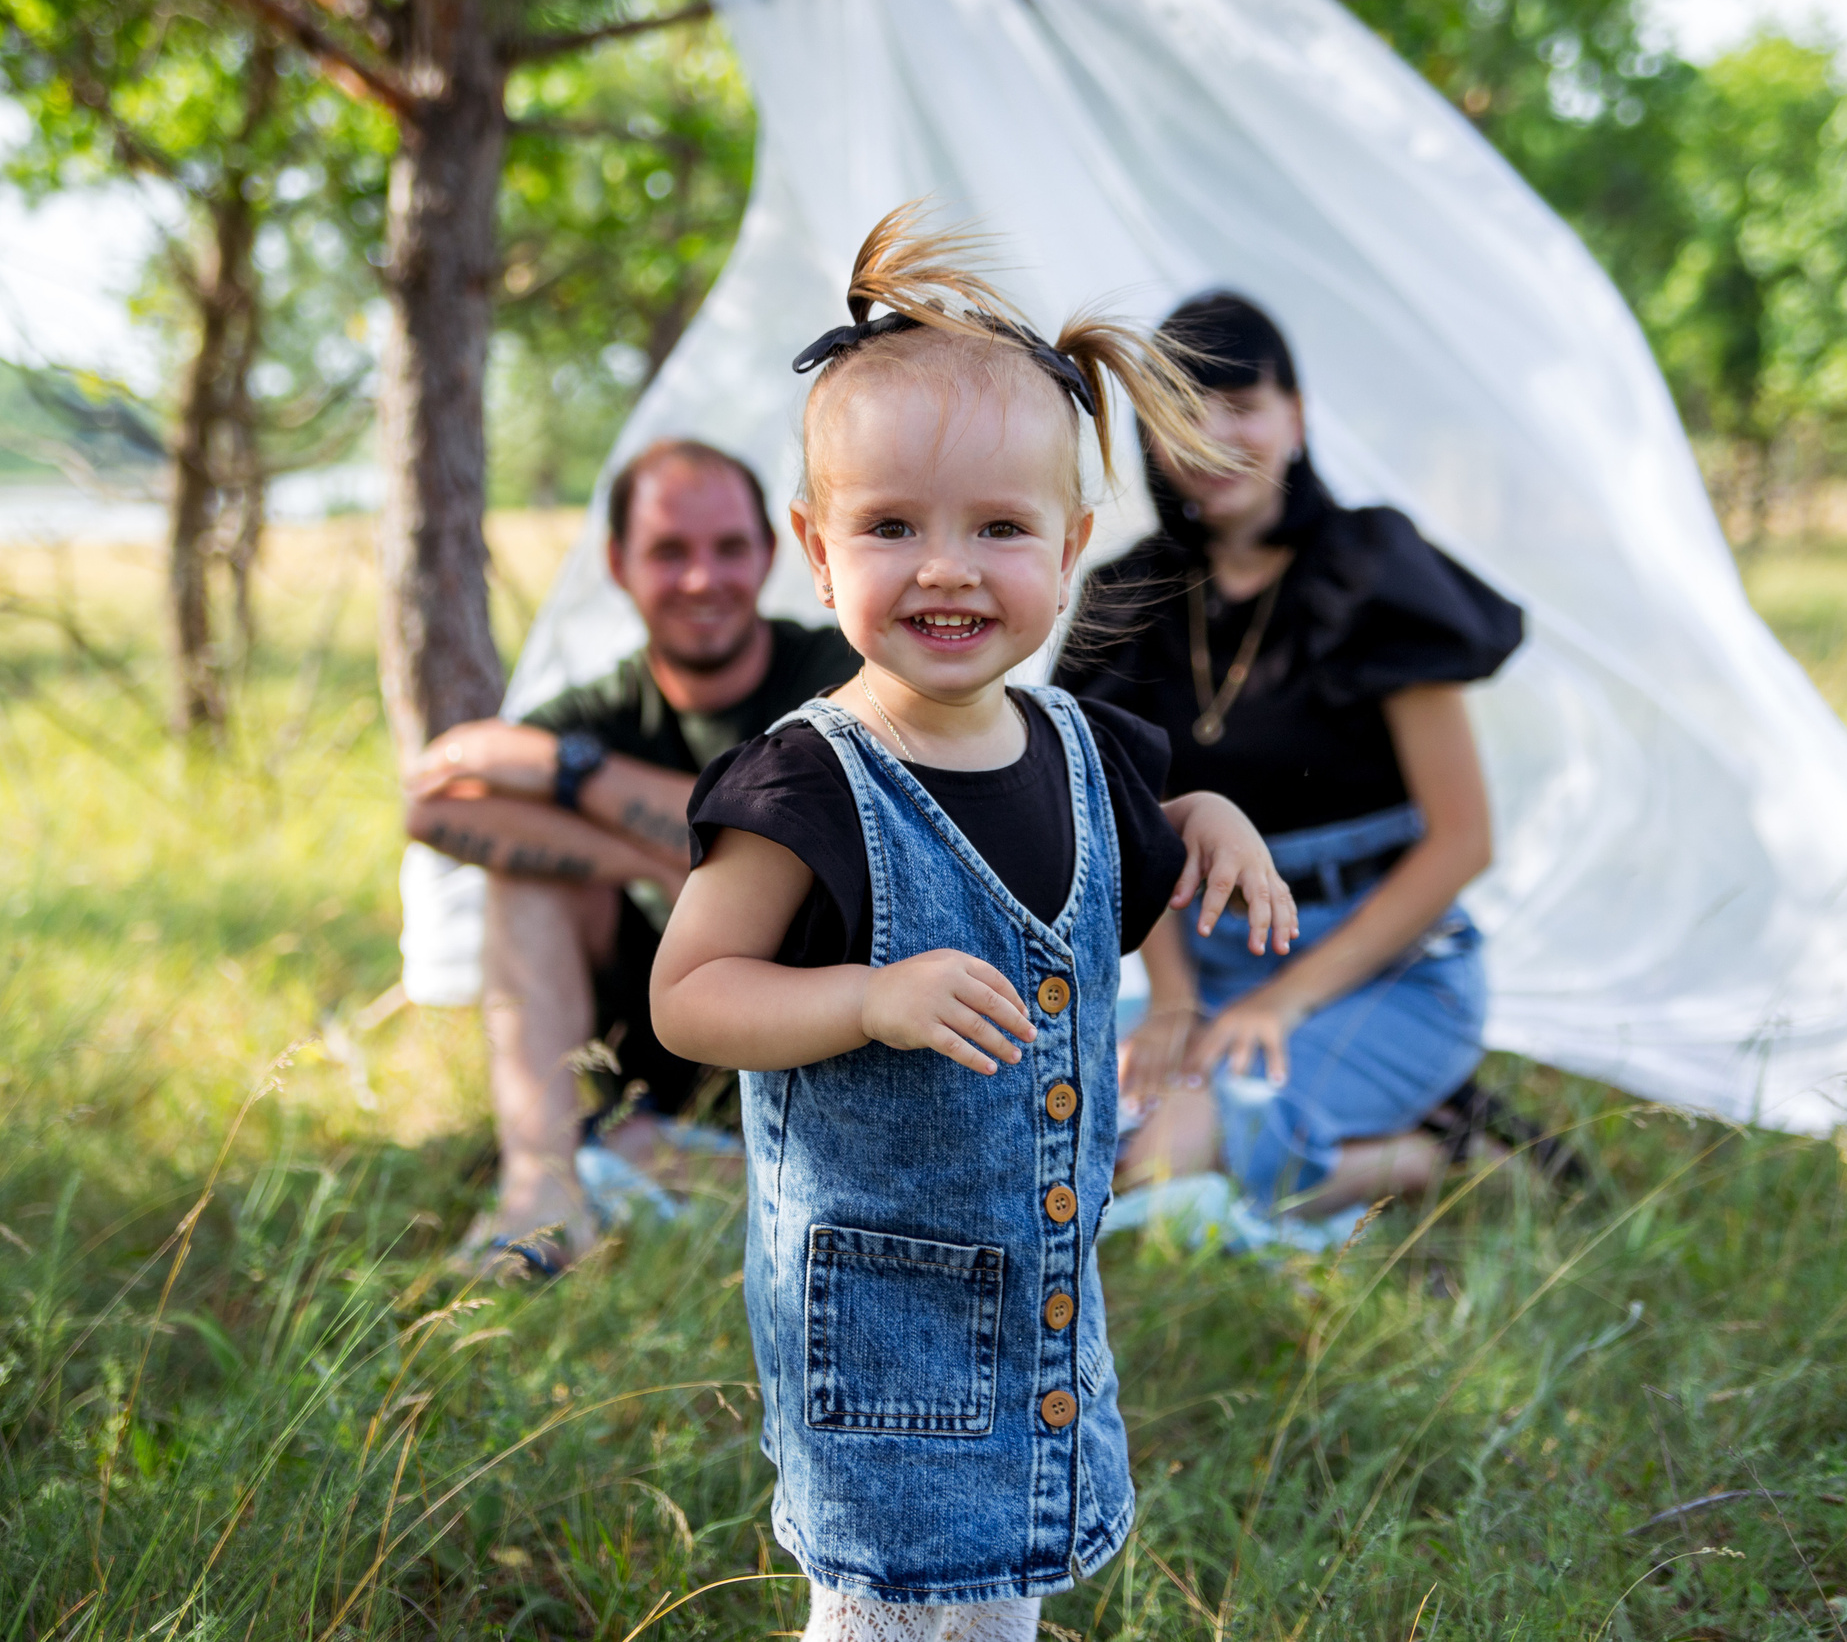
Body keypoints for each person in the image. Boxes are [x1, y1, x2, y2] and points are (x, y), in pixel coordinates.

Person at [649, 210, 1295, 1641]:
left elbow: (1141, 843)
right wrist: (861, 1001)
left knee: (993, 1595)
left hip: (1038, 1313)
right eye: (892, 527)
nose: (947, 568)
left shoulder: (1086, 747)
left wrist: (1212, 824)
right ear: (818, 552)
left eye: (998, 528)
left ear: (1067, 549)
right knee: (885, 1608)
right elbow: (690, 991)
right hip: (882, 1329)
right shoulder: (806, 781)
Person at [1056, 291, 1554, 1218]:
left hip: (1385, 967)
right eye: (1179, 417)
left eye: (1241, 406)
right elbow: (1113, 822)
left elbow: (1461, 839)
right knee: (1060, 1113)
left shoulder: (1373, 569)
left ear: (1296, 414)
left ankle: (1425, 1158)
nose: (1212, 438)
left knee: (1175, 1154)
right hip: (1208, 965)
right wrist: (1174, 997)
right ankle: (1383, 1145)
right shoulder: (1129, 597)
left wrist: (1279, 1004)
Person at [404, 439, 859, 1268]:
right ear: (617, 563)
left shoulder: (839, 676)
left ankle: (684, 1161)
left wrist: (577, 774)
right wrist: (632, 857)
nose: (701, 579)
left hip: (817, 1056)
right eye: (668, 551)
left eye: (727, 547)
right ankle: (539, 1187)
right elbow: (431, 804)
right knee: (526, 876)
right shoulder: (607, 701)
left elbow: (776, 829)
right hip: (660, 1060)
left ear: (769, 552)